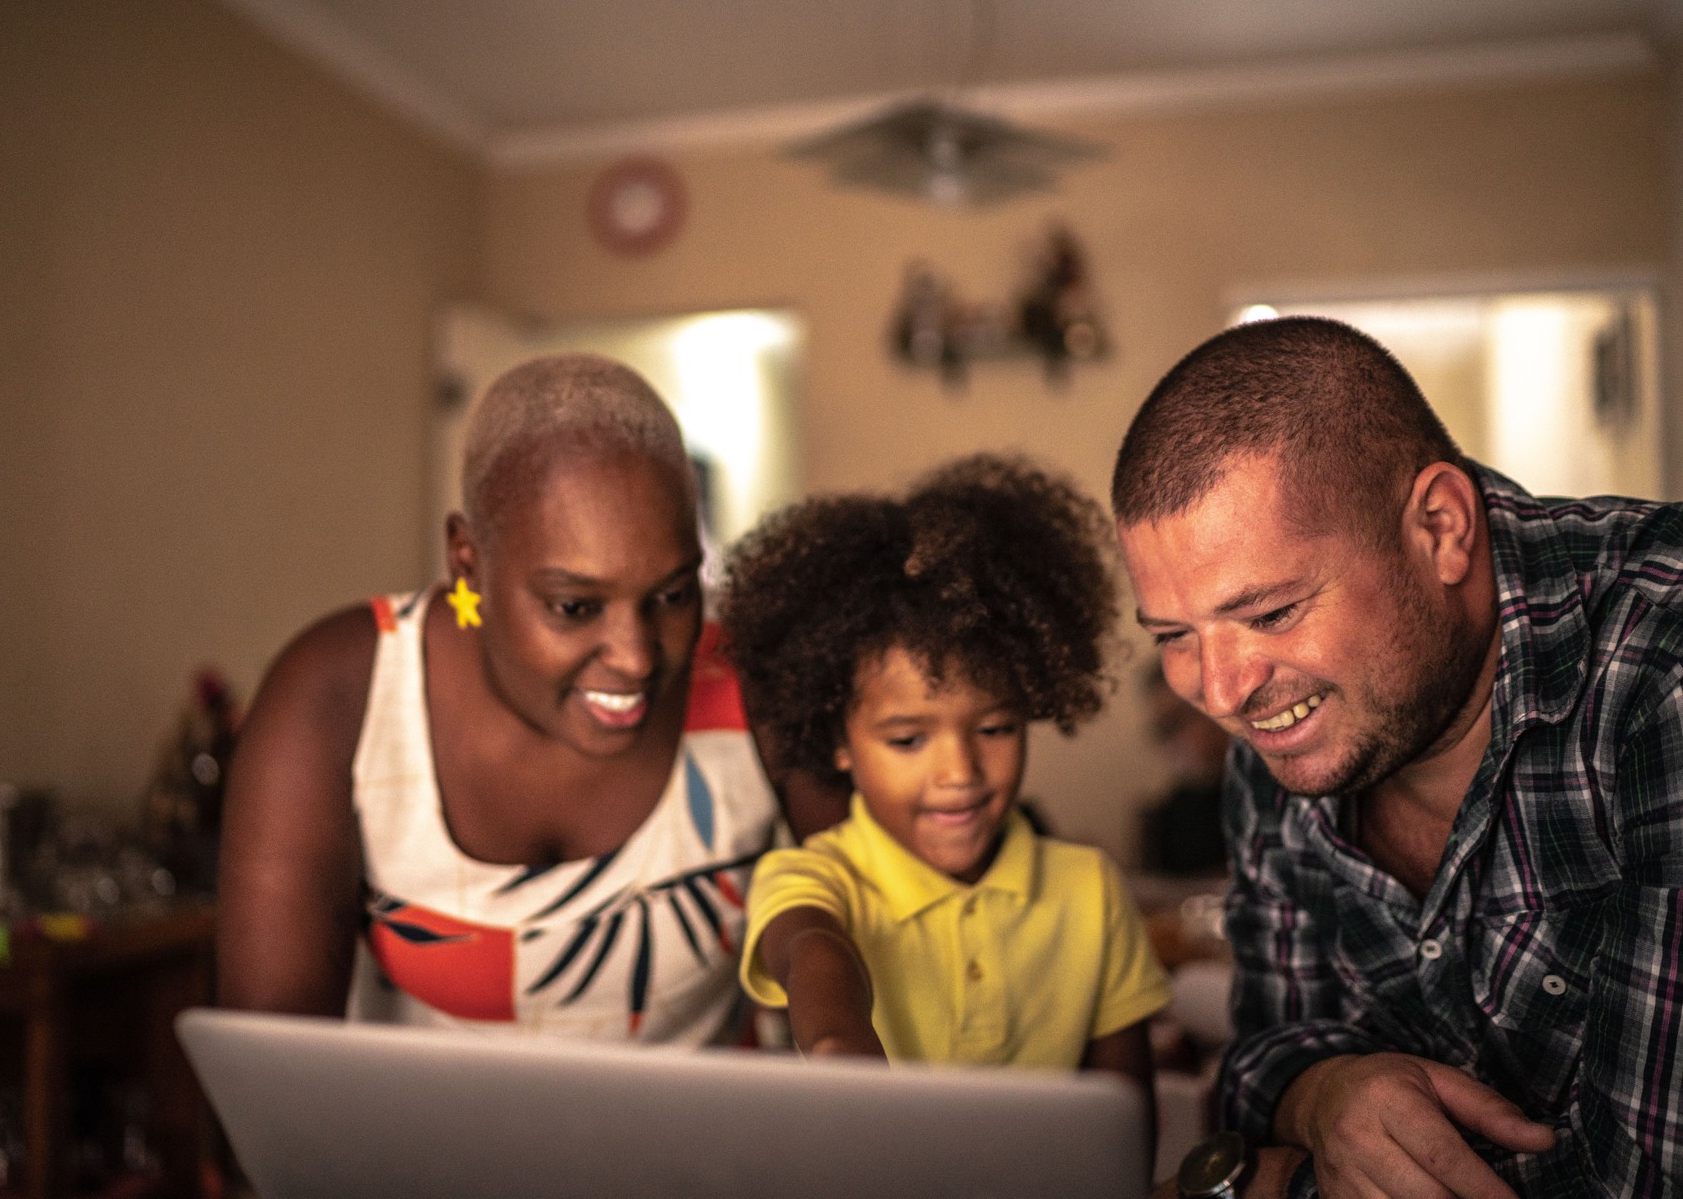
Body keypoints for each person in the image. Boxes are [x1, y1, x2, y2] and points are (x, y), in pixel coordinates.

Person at [1112, 316, 1682, 1198]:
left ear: (1441, 528)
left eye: (1270, 613)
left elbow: (1643, 1178)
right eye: (1175, 635)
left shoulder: (1660, 669)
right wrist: (1322, 1094)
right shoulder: (1284, 732)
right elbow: (1262, 1052)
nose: (1221, 693)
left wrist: (1270, 1186)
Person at [217, 354, 812, 1043]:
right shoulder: (339, 695)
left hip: (708, 1155)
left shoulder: (756, 682)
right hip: (410, 1157)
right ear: (467, 558)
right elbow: (272, 1076)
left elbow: (902, 916)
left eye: (674, 594)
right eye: (574, 606)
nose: (638, 655)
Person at [720, 454, 1171, 1118]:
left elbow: (1125, 1122)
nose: (960, 773)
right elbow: (813, 949)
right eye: (908, 739)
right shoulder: (814, 876)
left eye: (994, 728)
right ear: (837, 741)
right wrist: (841, 1045)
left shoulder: (1090, 890)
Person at [1138, 660, 1233, 876]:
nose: (1167, 741)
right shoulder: (1167, 816)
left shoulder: (1274, 792)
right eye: (1161, 729)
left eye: (1173, 724)